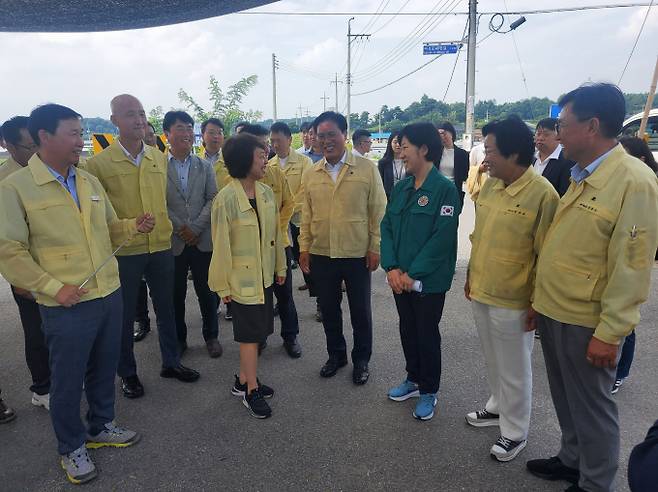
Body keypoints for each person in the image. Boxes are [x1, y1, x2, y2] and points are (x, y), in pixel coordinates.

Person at [0, 103, 151, 484]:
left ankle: (100, 426)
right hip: (65, 303)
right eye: (73, 133)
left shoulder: (87, 180)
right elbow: (9, 250)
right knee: (67, 380)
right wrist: (52, 287)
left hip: (108, 293)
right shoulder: (16, 188)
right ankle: (71, 446)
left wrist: (134, 225)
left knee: (104, 367)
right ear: (43, 138)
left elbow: (110, 228)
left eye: (82, 132)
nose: (80, 141)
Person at [527, 83, 658, 492]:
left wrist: (611, 331)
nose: (557, 133)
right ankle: (571, 459)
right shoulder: (581, 172)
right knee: (566, 396)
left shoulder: (633, 181)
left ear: (592, 126)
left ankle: (595, 482)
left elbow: (632, 265)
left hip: (588, 319)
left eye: (564, 125)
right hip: (555, 308)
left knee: (594, 406)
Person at [87, 94, 200, 400]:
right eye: (129, 114)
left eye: (141, 113)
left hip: (161, 246)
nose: (138, 120)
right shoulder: (98, 164)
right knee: (123, 318)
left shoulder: (157, 157)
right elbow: (97, 215)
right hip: (125, 251)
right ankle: (128, 373)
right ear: (114, 121)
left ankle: (171, 362)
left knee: (167, 309)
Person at [464, 116, 560, 461]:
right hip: (483, 289)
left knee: (515, 366)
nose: (485, 159)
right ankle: (497, 406)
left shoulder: (542, 194)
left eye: (490, 151)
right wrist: (470, 276)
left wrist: (537, 301)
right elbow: (480, 237)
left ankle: (515, 431)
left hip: (516, 298)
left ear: (515, 153)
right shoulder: (491, 185)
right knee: (493, 358)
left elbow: (546, 254)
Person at [299, 111, 387, 385]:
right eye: (321, 136)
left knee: (360, 311)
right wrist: (304, 248)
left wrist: (375, 247)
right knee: (328, 308)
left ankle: (361, 359)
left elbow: (378, 211)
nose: (326, 141)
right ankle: (336, 355)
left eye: (331, 134)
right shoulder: (312, 173)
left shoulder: (366, 168)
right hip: (322, 252)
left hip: (356, 252)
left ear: (344, 136)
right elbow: (306, 214)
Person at [381, 122, 459, 421]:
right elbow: (387, 227)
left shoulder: (444, 189)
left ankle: (429, 390)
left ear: (424, 149)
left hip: (427, 282)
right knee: (407, 328)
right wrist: (392, 267)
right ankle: (413, 379)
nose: (400, 152)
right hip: (400, 278)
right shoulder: (401, 188)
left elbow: (441, 238)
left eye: (406, 147)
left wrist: (412, 273)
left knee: (426, 333)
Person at [209, 133, 286, 418]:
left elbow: (275, 235)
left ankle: (243, 379)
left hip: (264, 276)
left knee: (258, 331)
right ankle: (250, 389)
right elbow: (220, 245)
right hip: (240, 281)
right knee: (250, 337)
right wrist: (221, 284)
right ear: (244, 160)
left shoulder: (265, 192)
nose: (266, 160)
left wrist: (279, 268)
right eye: (260, 156)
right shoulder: (226, 199)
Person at [0, 116, 51, 410]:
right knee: (36, 329)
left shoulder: (47, 170)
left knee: (59, 326)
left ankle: (62, 375)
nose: (35, 151)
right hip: (25, 270)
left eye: (37, 143)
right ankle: (42, 387)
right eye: (28, 146)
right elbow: (6, 244)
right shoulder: (6, 181)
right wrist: (18, 278)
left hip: (54, 263)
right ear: (7, 145)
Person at [164, 111, 221, 358]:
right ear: (167, 133)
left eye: (189, 127)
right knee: (175, 294)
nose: (187, 133)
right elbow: (159, 202)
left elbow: (213, 198)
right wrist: (181, 228)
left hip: (201, 239)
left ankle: (211, 336)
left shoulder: (204, 165)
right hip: (174, 241)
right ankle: (179, 339)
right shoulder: (157, 167)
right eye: (180, 128)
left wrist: (196, 228)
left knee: (207, 292)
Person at [241, 124, 301, 357]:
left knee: (284, 293)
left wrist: (276, 228)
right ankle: (259, 337)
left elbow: (289, 203)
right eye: (259, 145)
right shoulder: (234, 179)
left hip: (279, 245)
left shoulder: (276, 172)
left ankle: (291, 336)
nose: (265, 149)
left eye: (265, 144)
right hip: (250, 249)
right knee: (258, 296)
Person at [610, 136, 658, 394]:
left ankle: (621, 371)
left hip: (634, 265)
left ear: (640, 159)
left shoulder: (644, 184)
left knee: (626, 326)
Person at [269, 121, 313, 357]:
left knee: (304, 267)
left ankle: (291, 335)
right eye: (271, 140)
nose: (275, 144)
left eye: (278, 140)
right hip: (276, 232)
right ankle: (262, 336)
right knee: (273, 289)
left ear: (289, 139)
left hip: (298, 221)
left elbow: (305, 190)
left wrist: (288, 209)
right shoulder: (268, 165)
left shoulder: (303, 162)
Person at [533, 118, 573, 196]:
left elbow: (564, 194)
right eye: (538, 134)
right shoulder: (531, 159)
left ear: (558, 136)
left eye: (546, 134)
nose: (540, 138)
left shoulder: (568, 161)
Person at [437, 121, 469, 208]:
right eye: (439, 134)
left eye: (444, 133)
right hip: (437, 191)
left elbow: (464, 175)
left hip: (453, 191)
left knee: (450, 218)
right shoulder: (435, 152)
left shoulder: (462, 154)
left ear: (451, 133)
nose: (442, 137)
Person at [377, 132, 404, 200]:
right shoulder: (383, 163)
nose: (398, 145)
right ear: (390, 143)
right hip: (388, 199)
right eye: (395, 142)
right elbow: (380, 184)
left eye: (400, 142)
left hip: (406, 198)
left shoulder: (410, 161)